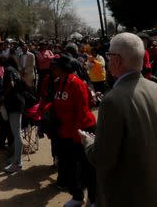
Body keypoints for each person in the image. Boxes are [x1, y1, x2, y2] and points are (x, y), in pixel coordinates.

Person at [80, 33, 157, 207]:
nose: (108, 60)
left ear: (117, 60)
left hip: (131, 197)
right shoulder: (155, 88)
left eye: (109, 56)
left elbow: (102, 159)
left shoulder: (112, 100)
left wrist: (88, 143)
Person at [51, 54, 96, 207]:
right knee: (68, 167)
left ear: (63, 68)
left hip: (81, 132)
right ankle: (77, 196)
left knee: (86, 168)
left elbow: (82, 111)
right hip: (64, 132)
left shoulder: (76, 84)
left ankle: (94, 199)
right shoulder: (58, 83)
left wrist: (76, 136)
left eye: (55, 66)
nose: (52, 69)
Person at [0, 55, 25, 174]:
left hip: (14, 105)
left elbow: (10, 84)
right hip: (18, 103)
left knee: (17, 133)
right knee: (16, 133)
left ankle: (17, 163)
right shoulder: (15, 70)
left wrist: (3, 96)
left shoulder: (9, 70)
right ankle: (16, 158)